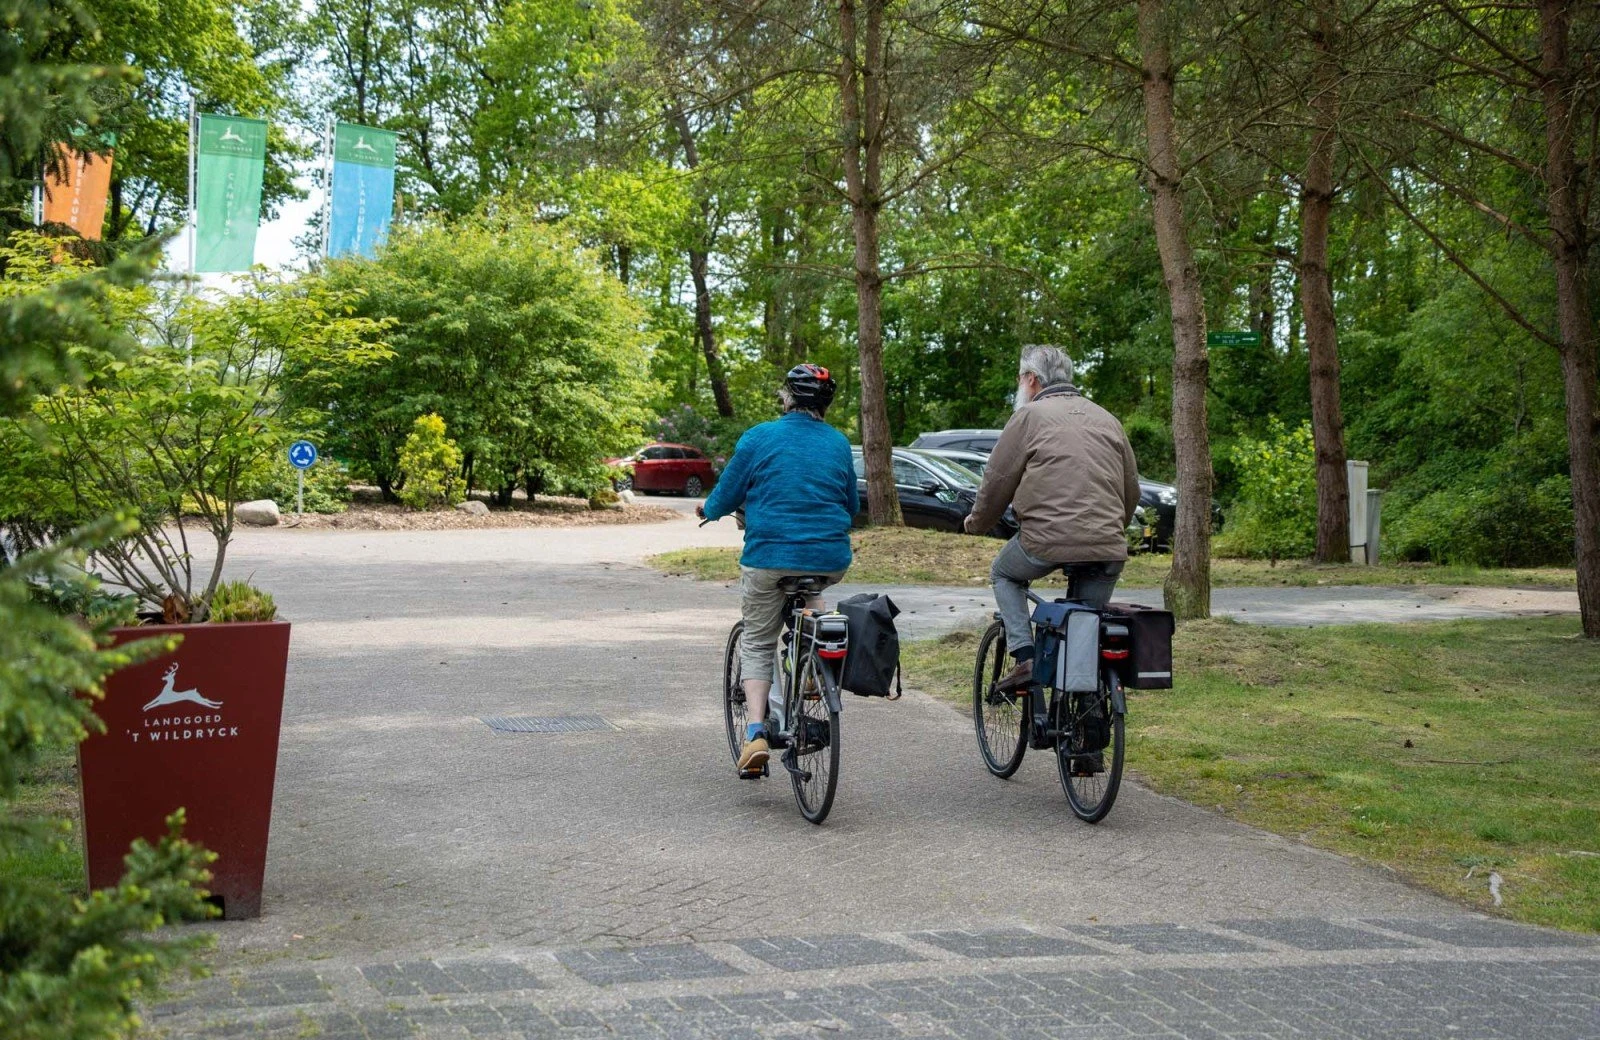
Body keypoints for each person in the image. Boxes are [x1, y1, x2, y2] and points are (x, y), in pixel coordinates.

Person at [698, 364, 858, 777]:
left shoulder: (760, 437)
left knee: (756, 640)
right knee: (813, 595)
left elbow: (728, 492)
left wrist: (708, 510)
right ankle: (811, 657)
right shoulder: (839, 443)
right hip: (828, 558)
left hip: (769, 556)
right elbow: (851, 506)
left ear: (787, 397)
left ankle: (755, 734)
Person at [963, 344, 1140, 693]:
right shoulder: (1107, 418)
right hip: (1108, 546)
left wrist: (977, 524)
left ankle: (1025, 656)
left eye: (1020, 378)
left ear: (1031, 380)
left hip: (1046, 542)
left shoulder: (1028, 418)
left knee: (1004, 574)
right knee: (1086, 628)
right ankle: (1089, 729)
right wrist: (1109, 529)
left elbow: (998, 481)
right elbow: (1130, 489)